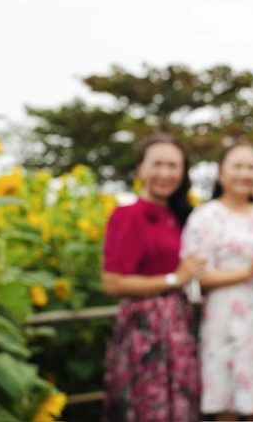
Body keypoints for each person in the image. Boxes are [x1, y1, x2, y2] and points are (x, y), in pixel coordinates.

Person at [101, 134, 207, 422]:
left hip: (179, 326)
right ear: (141, 170)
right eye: (157, 164)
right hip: (145, 330)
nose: (165, 173)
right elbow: (113, 283)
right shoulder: (128, 216)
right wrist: (175, 278)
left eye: (173, 166)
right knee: (149, 406)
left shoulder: (179, 215)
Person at [180, 143, 253, 421]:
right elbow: (197, 276)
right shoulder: (206, 216)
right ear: (220, 173)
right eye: (237, 166)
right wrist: (248, 271)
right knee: (225, 403)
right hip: (222, 319)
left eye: (252, 167)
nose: (245, 173)